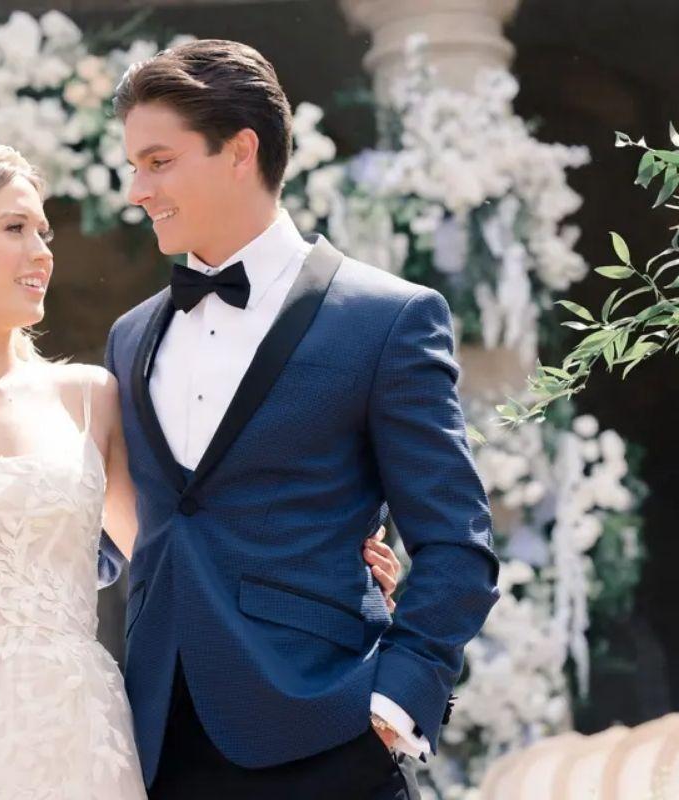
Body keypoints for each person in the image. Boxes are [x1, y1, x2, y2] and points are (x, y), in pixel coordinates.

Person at [0, 136, 405, 799]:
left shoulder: (90, 398)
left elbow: (179, 550)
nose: (42, 252)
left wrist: (326, 561)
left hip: (74, 738)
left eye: (44, 232)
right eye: (15, 228)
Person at [101, 39, 501, 799]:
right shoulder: (130, 337)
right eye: (134, 166)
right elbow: (141, 529)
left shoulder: (388, 319)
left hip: (327, 735)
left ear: (240, 151)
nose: (136, 190)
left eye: (158, 162)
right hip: (157, 745)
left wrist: (397, 695)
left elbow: (458, 542)